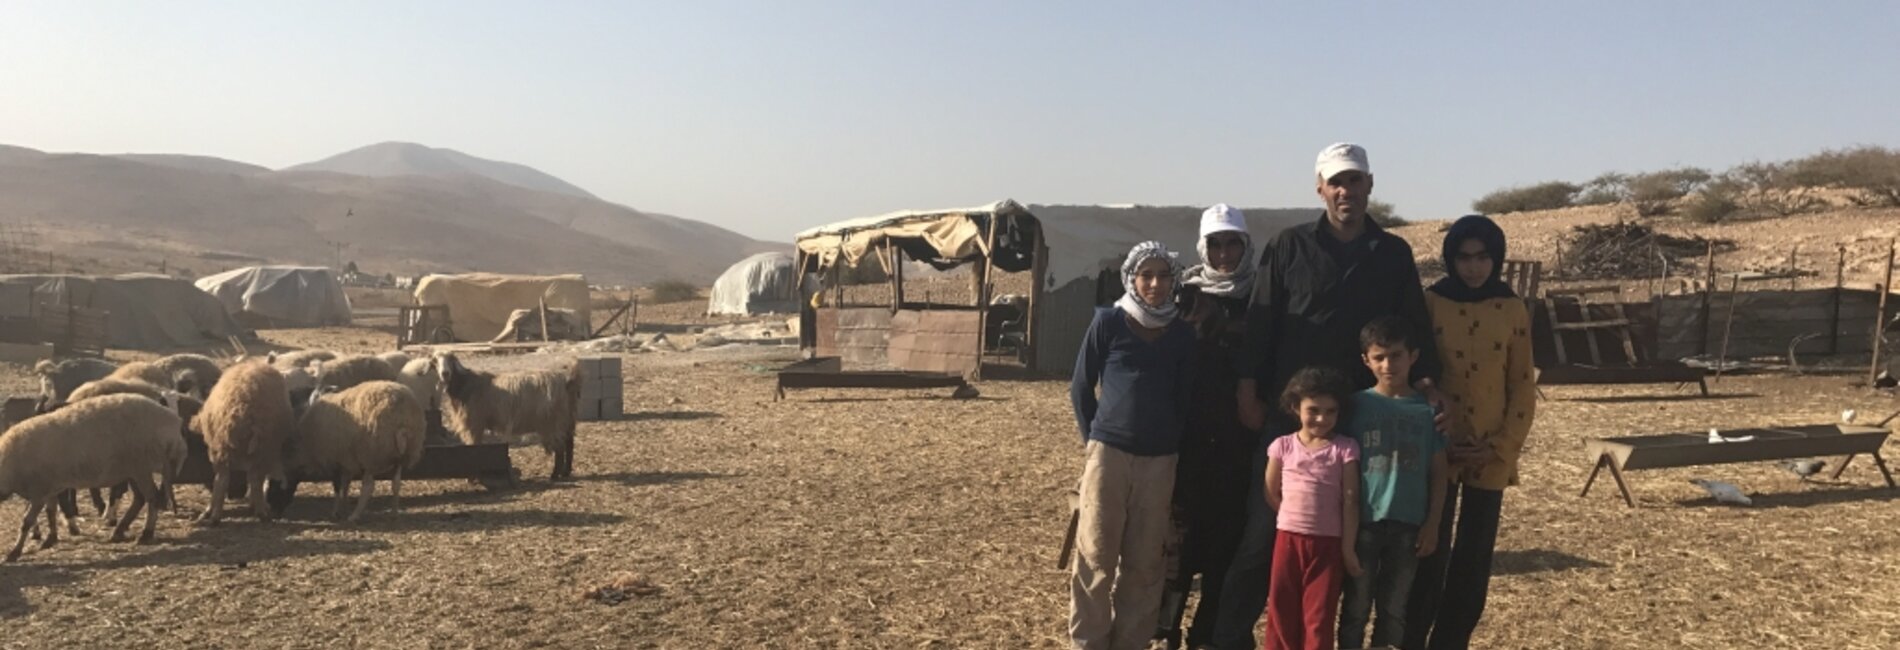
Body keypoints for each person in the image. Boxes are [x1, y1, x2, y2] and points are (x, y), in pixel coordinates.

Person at [1213, 143, 1442, 650]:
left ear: (1370, 185)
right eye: (1336, 182)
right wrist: (1247, 388)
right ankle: (1226, 638)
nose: (1346, 191)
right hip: (1290, 417)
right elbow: (1262, 322)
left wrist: (1428, 384)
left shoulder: (1393, 254)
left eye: (1355, 181)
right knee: (1265, 532)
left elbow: (1411, 330)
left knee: (1354, 538)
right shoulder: (1289, 246)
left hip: (1364, 418)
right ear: (1320, 188)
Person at [1403, 215, 1536, 650]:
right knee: (1429, 548)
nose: (1474, 267)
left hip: (1489, 451)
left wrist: (1499, 447)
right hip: (1439, 446)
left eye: (1483, 258)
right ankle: (1410, 638)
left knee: (1474, 555)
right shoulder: (1432, 302)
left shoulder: (1512, 307)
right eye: (1464, 257)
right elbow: (1417, 369)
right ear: (1451, 259)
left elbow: (1521, 382)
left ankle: (1452, 640)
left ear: (1495, 259)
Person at [1070, 241, 1198, 650]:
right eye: (1147, 275)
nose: (1155, 284)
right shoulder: (1109, 321)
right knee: (1096, 555)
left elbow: (1184, 397)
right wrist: (1096, 438)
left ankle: (1131, 642)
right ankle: (1089, 642)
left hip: (1160, 460)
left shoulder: (1180, 333)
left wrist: (1167, 440)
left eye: (1163, 275)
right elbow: (1080, 387)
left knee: (1145, 563)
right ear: (1132, 278)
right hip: (1109, 454)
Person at [1151, 205, 1258, 649]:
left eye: (1233, 242)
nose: (1225, 252)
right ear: (1203, 246)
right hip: (1187, 441)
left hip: (1239, 443)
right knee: (1177, 551)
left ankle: (1210, 637)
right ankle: (1164, 633)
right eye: (1215, 243)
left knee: (1226, 551)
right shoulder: (1182, 297)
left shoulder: (1264, 296)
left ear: (1246, 246)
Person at [1338, 316, 1448, 649]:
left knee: (1394, 609)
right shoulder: (1355, 406)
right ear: (1366, 361)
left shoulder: (1428, 411)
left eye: (1396, 355)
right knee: (1355, 607)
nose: (1388, 365)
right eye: (1379, 357)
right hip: (1365, 524)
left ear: (1412, 356)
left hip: (1409, 526)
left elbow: (1439, 471)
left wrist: (1433, 523)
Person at [1262, 366, 1362, 650]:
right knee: (1282, 610)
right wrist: (1291, 516)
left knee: (1318, 616)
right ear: (1296, 407)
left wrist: (1347, 547)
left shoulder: (1345, 448)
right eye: (1314, 409)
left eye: (1330, 411)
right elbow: (1270, 491)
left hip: (1328, 544)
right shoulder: (1282, 446)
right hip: (1288, 540)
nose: (1321, 418)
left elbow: (1351, 498)